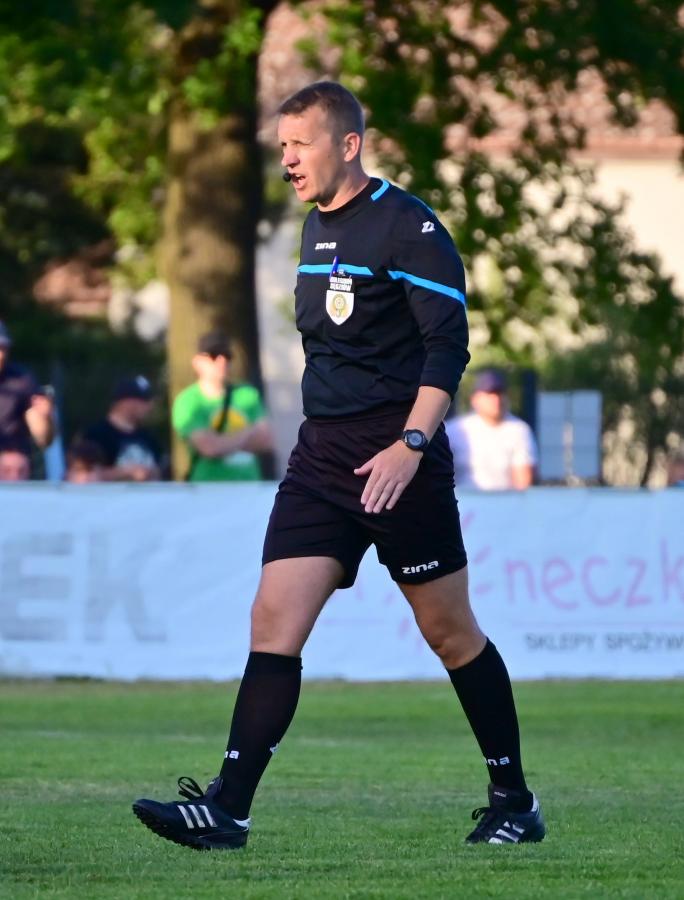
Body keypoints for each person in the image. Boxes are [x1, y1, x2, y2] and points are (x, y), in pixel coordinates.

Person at [133, 81, 544, 850]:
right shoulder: (314, 227)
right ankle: (228, 810)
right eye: (282, 146)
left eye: (301, 144)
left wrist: (411, 446)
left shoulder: (410, 228)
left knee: (450, 633)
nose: (288, 159)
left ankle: (514, 801)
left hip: (399, 460)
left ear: (348, 145)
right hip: (322, 459)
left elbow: (446, 349)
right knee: (272, 620)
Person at [172, 332, 273, 481]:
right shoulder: (187, 401)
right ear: (197, 362)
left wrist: (222, 443)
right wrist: (248, 433)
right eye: (213, 355)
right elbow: (209, 448)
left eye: (227, 356)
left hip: (249, 486)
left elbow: (265, 441)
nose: (222, 361)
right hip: (208, 487)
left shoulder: (248, 394)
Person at [446, 369, 538, 490]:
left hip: (505, 499)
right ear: (475, 399)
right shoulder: (455, 429)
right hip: (460, 499)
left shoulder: (519, 430)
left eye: (500, 393)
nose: (496, 400)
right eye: (489, 394)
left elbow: (523, 481)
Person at [83, 375, 161, 481]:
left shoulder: (148, 437)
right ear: (126, 402)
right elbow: (85, 475)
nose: (149, 406)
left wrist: (152, 473)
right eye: (144, 401)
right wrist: (126, 472)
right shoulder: (96, 435)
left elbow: (161, 470)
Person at [0, 320, 55, 467]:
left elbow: (44, 439)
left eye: (3, 348)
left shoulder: (21, 379)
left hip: (12, 468)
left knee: (13, 466)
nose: (1, 355)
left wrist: (45, 417)